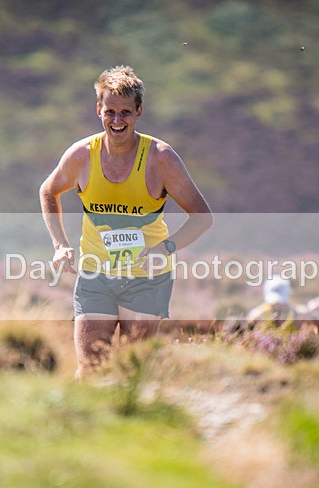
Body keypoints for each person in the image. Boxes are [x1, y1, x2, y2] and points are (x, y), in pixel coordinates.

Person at [39, 65, 212, 379]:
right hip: (96, 274)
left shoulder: (161, 158)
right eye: (110, 112)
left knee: (134, 368)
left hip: (146, 278)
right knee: (91, 367)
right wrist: (60, 245)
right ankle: (84, 426)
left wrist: (167, 248)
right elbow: (48, 190)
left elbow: (202, 217)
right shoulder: (82, 155)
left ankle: (134, 421)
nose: (117, 121)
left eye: (125, 113)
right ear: (99, 110)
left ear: (138, 112)